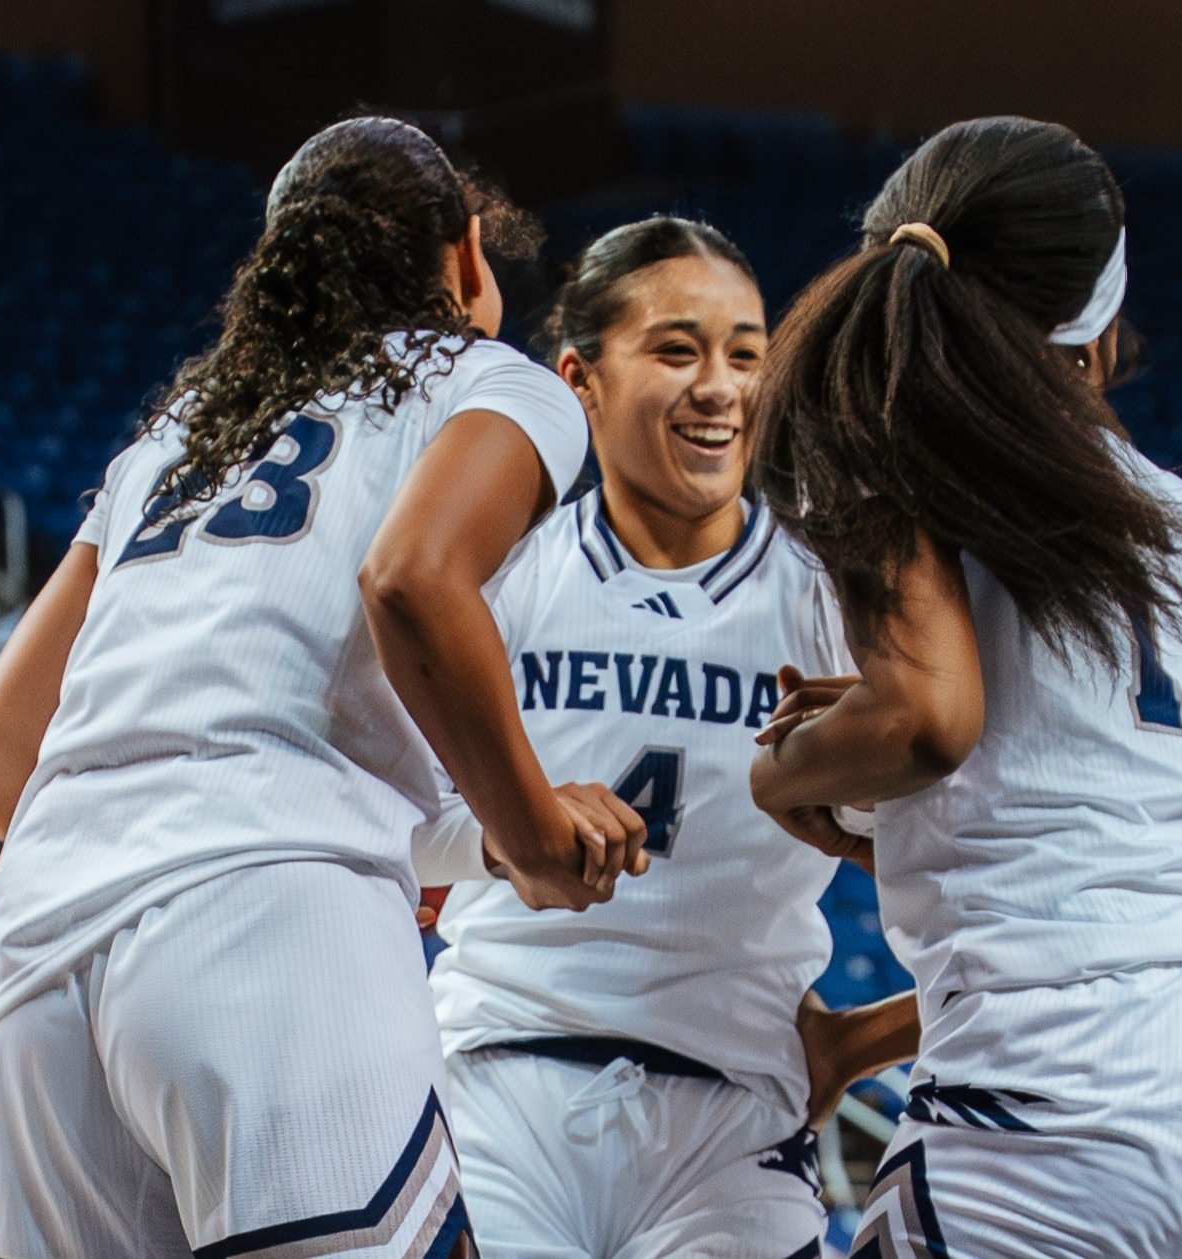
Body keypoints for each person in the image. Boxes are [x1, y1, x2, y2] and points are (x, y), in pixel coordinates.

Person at [0, 115, 644, 1259]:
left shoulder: (170, 441)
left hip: (39, 947)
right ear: (465, 255)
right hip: (269, 939)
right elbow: (413, 580)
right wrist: (535, 837)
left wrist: (474, 841)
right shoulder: (489, 382)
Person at [747, 115, 1182, 1257]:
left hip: (1075, 1057)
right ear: (1097, 303)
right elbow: (1065, 749)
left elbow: (928, 721)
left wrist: (781, 769)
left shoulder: (899, 439)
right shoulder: (1161, 501)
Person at [418, 215, 916, 1258]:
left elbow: (985, 853)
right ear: (579, 379)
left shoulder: (831, 593)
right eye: (676, 349)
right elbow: (393, 825)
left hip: (733, 1111)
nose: (721, 386)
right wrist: (510, 834)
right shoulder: (498, 573)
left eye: (745, 353)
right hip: (498, 1072)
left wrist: (870, 1037)